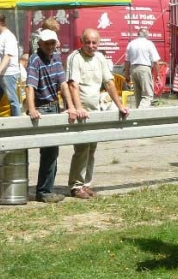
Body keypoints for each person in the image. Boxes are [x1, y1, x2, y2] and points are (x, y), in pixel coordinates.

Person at [66, 28, 129, 199]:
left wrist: (120, 105)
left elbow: (108, 83)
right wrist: (78, 108)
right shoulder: (75, 58)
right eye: (87, 42)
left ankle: (86, 184)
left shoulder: (100, 58)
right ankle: (76, 186)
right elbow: (73, 85)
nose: (91, 46)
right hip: (82, 111)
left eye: (94, 43)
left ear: (99, 43)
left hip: (96, 111)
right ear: (82, 42)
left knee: (91, 148)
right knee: (81, 148)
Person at [25, 29, 77, 203]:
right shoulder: (35, 59)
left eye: (52, 43)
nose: (49, 46)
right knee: (49, 151)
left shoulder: (56, 58)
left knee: (52, 152)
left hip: (54, 107)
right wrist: (32, 108)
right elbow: (30, 86)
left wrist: (70, 107)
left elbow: (63, 85)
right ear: (39, 44)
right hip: (42, 108)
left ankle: (46, 189)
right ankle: (44, 191)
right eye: (46, 43)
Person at [124, 28, 161, 108]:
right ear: (147, 35)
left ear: (138, 34)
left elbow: (127, 61)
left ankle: (138, 115)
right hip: (144, 68)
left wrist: (126, 73)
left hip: (133, 68)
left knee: (138, 94)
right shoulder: (149, 43)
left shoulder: (131, 43)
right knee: (148, 95)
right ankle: (141, 111)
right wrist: (157, 75)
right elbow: (156, 61)